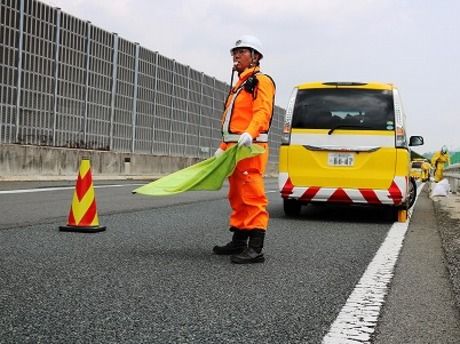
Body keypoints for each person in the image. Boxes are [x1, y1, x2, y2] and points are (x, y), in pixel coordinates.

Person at [212, 35, 276, 264]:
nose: (236, 56)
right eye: (234, 52)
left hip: (251, 147)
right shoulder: (239, 85)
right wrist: (223, 147)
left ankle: (256, 247)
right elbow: (231, 120)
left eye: (242, 51)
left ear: (255, 57)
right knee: (237, 195)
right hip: (235, 148)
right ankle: (239, 240)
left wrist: (250, 132)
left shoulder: (261, 81)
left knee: (252, 194)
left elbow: (262, 112)